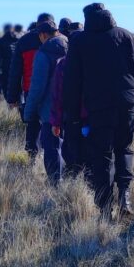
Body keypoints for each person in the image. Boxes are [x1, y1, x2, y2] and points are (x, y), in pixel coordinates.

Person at [62, 3, 134, 215]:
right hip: (127, 102)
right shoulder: (126, 35)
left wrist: (72, 115)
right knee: (124, 148)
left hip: (99, 105)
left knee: (101, 154)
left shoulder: (80, 41)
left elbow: (72, 80)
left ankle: (104, 207)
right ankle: (125, 197)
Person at [23, 19, 68, 185]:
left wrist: (29, 112)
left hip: (50, 110)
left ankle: (56, 183)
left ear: (43, 35)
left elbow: (37, 87)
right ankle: (71, 180)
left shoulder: (43, 53)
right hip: (73, 108)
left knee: (52, 147)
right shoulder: (72, 47)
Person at [7, 13, 55, 161]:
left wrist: (12, 97)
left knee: (32, 123)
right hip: (54, 91)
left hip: (31, 90)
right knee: (52, 123)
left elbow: (15, 72)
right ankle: (51, 156)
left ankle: (32, 156)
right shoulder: (60, 40)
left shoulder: (24, 41)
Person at [50, 23, 86, 175]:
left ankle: (75, 184)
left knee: (71, 153)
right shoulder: (97, 63)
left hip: (71, 118)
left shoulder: (63, 64)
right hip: (94, 117)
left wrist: (56, 122)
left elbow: (58, 96)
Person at [0, 23, 18, 98]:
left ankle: (7, 106)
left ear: (4, 30)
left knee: (5, 90)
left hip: (5, 70)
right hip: (18, 70)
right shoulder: (19, 40)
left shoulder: (0, 41)